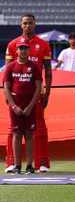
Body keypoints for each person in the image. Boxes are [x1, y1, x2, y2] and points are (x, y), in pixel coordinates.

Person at [4, 14, 53, 173]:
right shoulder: (12, 44)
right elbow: (7, 72)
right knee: (14, 130)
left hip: (35, 95)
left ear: (35, 24)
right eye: (25, 23)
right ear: (21, 25)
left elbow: (48, 71)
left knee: (39, 128)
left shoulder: (43, 44)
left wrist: (47, 92)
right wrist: (8, 96)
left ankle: (42, 163)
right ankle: (12, 163)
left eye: (30, 23)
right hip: (17, 96)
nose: (28, 26)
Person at [3, 42, 42, 174]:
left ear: (29, 51)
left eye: (25, 48)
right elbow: (6, 88)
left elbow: (38, 88)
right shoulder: (10, 67)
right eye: (21, 49)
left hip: (30, 105)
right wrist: (13, 106)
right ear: (17, 51)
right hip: (15, 106)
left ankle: (30, 165)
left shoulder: (34, 67)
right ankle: (17, 165)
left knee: (30, 135)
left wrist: (31, 106)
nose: (23, 51)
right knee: (17, 134)